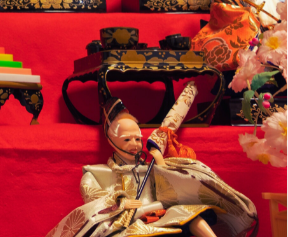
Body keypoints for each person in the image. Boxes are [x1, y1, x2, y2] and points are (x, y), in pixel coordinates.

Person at [46, 98, 257, 237]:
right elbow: (89, 192)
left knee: (192, 214)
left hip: (158, 209)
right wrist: (119, 200)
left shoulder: (149, 166)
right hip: (126, 218)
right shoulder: (99, 172)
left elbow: (170, 190)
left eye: (137, 138)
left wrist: (162, 163)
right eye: (127, 139)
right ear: (111, 140)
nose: (135, 144)